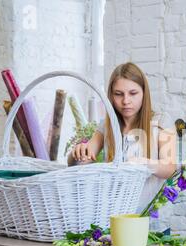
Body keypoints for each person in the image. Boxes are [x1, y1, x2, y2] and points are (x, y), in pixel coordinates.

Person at [68, 62, 177, 212]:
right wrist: (79, 153)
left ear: (144, 93)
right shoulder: (106, 126)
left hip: (150, 218)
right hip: (114, 216)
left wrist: (143, 163)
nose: (126, 101)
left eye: (133, 93)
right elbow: (82, 161)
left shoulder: (160, 122)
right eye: (118, 94)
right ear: (111, 96)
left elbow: (169, 168)